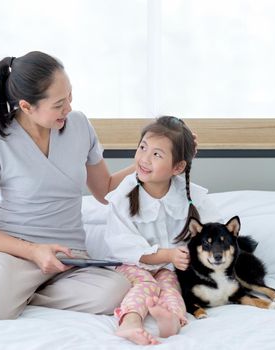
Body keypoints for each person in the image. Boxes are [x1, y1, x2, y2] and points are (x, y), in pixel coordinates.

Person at [0, 51, 133, 320]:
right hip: (13, 254)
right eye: (59, 104)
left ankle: (17, 295)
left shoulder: (79, 126)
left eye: (70, 97)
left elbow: (106, 190)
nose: (69, 109)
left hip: (68, 256)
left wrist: (145, 164)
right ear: (26, 106)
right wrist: (33, 251)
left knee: (115, 292)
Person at [88, 116, 221, 345]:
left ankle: (172, 319)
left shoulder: (190, 198)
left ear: (177, 167)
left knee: (171, 285)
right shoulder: (123, 197)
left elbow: (213, 230)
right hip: (132, 264)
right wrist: (168, 255)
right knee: (146, 284)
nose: (145, 159)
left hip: (167, 267)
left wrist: (186, 256)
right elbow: (125, 246)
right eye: (142, 148)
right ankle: (130, 322)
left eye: (157, 154)